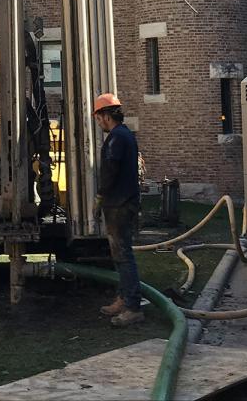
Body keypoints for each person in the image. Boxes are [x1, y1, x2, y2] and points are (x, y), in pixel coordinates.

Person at [92, 93, 144, 328]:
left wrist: (100, 195)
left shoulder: (116, 138)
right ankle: (123, 298)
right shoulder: (124, 135)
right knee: (119, 254)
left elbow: (110, 170)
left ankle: (132, 307)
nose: (98, 123)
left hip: (119, 204)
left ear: (105, 116)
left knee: (123, 255)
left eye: (98, 118)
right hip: (123, 202)